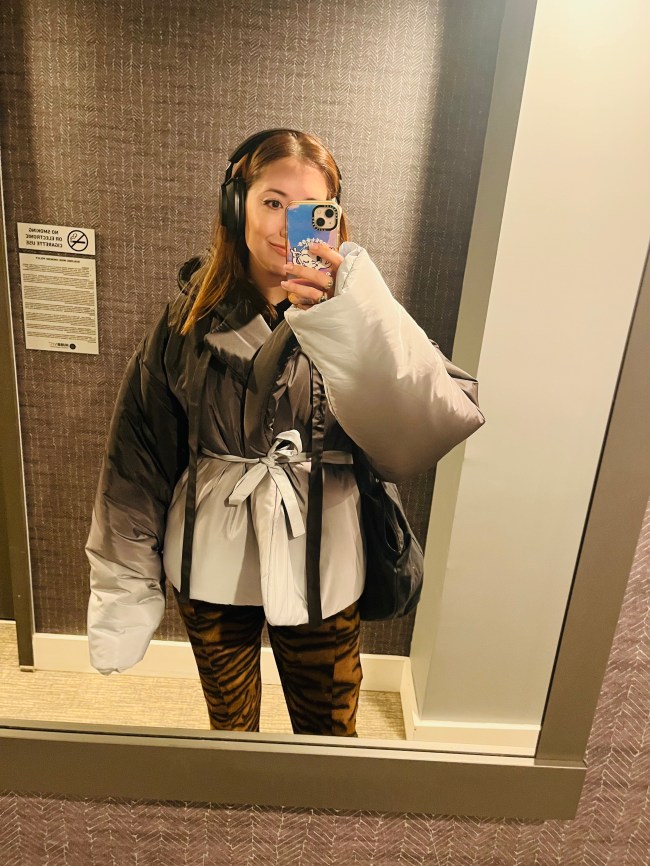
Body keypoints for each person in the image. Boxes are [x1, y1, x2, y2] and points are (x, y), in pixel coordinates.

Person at [85, 128, 485, 737]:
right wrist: (124, 584)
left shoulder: (363, 314)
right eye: (272, 202)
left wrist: (354, 314)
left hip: (325, 553)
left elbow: (433, 419)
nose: (285, 225)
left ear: (333, 220)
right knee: (232, 733)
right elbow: (137, 459)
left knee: (330, 734)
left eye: (309, 210)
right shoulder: (185, 322)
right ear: (235, 206)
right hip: (210, 555)